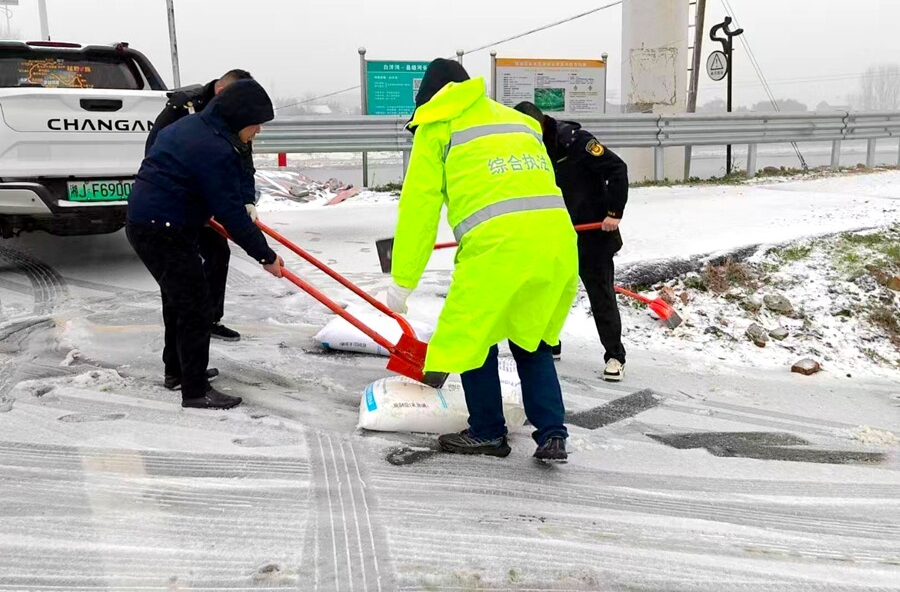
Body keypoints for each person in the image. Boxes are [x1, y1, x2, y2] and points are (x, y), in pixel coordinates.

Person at [385, 59, 579, 462]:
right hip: (557, 242)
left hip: (497, 248)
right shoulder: (518, 121)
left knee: (474, 339)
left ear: (429, 98)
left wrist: (403, 279)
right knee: (533, 340)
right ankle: (552, 433)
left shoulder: (438, 127)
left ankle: (488, 431)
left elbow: (418, 211)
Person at [127, 79, 284, 410]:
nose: (258, 131)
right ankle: (195, 390)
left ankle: (179, 372)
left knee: (179, 301)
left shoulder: (195, 126)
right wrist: (265, 255)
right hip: (162, 229)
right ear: (241, 116)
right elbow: (229, 214)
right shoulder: (213, 147)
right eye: (257, 123)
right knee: (196, 307)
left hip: (155, 223)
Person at [514, 101, 629, 382]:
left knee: (600, 295)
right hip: (557, 232)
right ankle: (550, 342)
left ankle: (615, 355)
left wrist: (614, 213)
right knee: (549, 291)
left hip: (593, 233)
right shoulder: (527, 147)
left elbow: (617, 169)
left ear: (539, 124)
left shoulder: (576, 142)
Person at [145, 69, 257, 343]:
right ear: (222, 92)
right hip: (175, 208)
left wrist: (247, 199)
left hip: (208, 202)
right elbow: (155, 153)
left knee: (219, 254)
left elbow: (243, 158)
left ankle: (211, 319)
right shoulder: (182, 107)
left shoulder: (234, 113)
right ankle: (179, 358)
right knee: (180, 280)